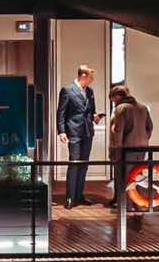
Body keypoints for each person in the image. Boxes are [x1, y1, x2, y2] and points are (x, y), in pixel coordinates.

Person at [107, 82, 153, 213]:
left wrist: (117, 149)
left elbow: (118, 131)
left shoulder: (121, 109)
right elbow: (150, 127)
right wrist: (143, 139)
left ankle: (125, 206)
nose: (112, 101)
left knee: (125, 176)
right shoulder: (143, 108)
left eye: (112, 98)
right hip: (142, 148)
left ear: (118, 96)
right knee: (136, 175)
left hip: (125, 149)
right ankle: (135, 202)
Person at [55, 65, 97, 208]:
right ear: (83, 76)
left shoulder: (90, 91)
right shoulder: (67, 90)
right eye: (91, 77)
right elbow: (61, 112)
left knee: (84, 164)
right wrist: (61, 131)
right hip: (74, 131)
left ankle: (79, 195)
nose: (92, 80)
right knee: (74, 163)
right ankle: (70, 196)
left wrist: (95, 117)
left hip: (87, 131)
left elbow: (91, 111)